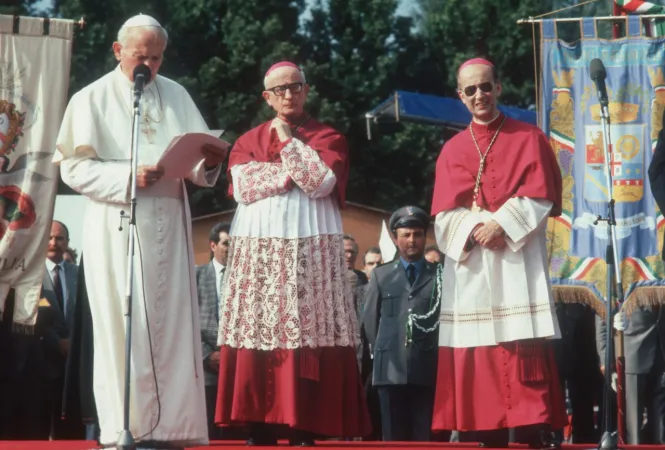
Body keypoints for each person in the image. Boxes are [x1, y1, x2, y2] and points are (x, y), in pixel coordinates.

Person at [53, 14, 226, 448]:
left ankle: (173, 428)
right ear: (118, 51)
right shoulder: (90, 98)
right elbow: (73, 168)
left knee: (173, 326)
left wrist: (209, 161)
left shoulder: (177, 93)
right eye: (139, 57)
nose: (147, 65)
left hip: (170, 217)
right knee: (125, 324)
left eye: (155, 57)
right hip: (118, 225)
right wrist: (129, 177)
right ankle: (124, 426)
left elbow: (200, 166)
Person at [215, 61, 370, 446]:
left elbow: (319, 183)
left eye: (295, 87)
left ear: (307, 89)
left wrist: (285, 143)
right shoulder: (248, 139)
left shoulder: (329, 135)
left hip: (310, 249)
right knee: (259, 326)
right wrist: (290, 173)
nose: (288, 94)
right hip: (260, 251)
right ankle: (261, 423)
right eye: (280, 90)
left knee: (308, 328)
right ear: (266, 97)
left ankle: (304, 423)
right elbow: (243, 185)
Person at [430, 57, 566, 448]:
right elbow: (442, 216)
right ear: (460, 96)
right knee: (479, 348)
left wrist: (502, 224)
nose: (479, 95)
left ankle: (532, 427)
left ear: (498, 87)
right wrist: (475, 228)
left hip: (516, 259)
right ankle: (486, 428)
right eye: (470, 90)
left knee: (521, 342)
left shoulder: (529, 137)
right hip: (473, 266)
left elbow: (542, 195)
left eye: (485, 87)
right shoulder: (452, 149)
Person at [363, 206, 442, 442]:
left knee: (424, 436)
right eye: (406, 235)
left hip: (427, 366)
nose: (412, 240)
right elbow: (370, 321)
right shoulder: (381, 275)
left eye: (417, 234)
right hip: (389, 369)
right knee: (393, 436)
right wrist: (386, 350)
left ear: (424, 237)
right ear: (396, 239)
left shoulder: (439, 274)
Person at [195, 222, 231, 440]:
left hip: (236, 363)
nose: (231, 248)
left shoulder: (246, 279)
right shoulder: (196, 276)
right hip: (205, 367)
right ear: (213, 245)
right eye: (226, 243)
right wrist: (207, 355)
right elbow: (186, 322)